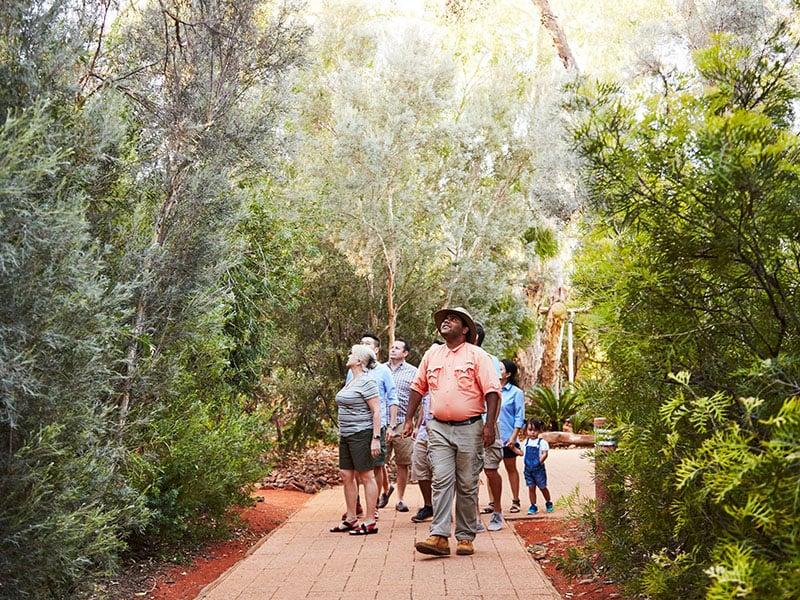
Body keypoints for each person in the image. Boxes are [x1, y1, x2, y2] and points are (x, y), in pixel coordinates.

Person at [403, 307, 500, 557]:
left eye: (453, 319)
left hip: (470, 427)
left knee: (467, 484)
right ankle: (439, 536)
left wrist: (489, 425)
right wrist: (408, 419)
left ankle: (466, 536)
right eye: (444, 319)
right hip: (438, 428)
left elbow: (492, 391)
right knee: (441, 479)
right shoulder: (432, 354)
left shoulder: (478, 355)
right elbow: (418, 387)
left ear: (465, 329)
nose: (446, 321)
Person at [330, 344, 383, 535]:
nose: (348, 355)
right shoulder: (351, 380)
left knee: (366, 476)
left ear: (359, 361)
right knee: (346, 475)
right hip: (346, 434)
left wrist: (376, 438)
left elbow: (376, 410)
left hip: (362, 433)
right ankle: (351, 518)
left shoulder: (367, 381)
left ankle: (370, 520)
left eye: (352, 354)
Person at [345, 333, 398, 517]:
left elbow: (392, 399)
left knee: (375, 467)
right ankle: (357, 505)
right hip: (355, 426)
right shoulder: (352, 370)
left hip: (377, 425)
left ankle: (372, 508)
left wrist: (391, 426)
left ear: (375, 350)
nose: (363, 345)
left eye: (368, 344)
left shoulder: (383, 371)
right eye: (362, 343)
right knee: (355, 469)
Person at [474, 322, 505, 532]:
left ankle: (497, 510)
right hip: (466, 423)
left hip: (487, 421)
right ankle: (473, 516)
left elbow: (494, 392)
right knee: (469, 473)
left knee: (491, 468)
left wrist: (490, 424)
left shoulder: (489, 360)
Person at [385, 338, 417, 512]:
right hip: (383, 421)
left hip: (403, 421)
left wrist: (414, 422)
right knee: (378, 461)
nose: (393, 350)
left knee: (402, 462)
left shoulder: (413, 372)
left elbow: (419, 397)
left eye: (397, 348)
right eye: (392, 347)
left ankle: (400, 499)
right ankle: (383, 491)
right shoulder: (380, 369)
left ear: (405, 353)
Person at [498, 359, 525, 515]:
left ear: (507, 374)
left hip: (508, 437)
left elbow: (519, 417)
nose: (497, 370)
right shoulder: (491, 389)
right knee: (491, 469)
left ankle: (515, 500)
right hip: (493, 437)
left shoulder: (516, 393)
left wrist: (513, 437)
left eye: (500, 368)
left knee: (510, 468)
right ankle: (492, 502)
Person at [514, 418, 554, 515]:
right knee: (531, 487)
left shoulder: (542, 442)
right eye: (530, 430)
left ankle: (548, 502)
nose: (532, 432)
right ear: (526, 430)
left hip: (538, 470)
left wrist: (538, 462)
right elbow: (521, 453)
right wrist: (513, 448)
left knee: (542, 487)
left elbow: (545, 454)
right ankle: (533, 505)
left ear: (539, 430)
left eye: (535, 430)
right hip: (528, 470)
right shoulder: (525, 442)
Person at [410, 392, 433, 523]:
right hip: (423, 432)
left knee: (440, 473)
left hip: (440, 430)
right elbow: (423, 407)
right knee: (420, 469)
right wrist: (417, 427)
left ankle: (442, 509)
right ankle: (428, 506)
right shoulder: (425, 382)